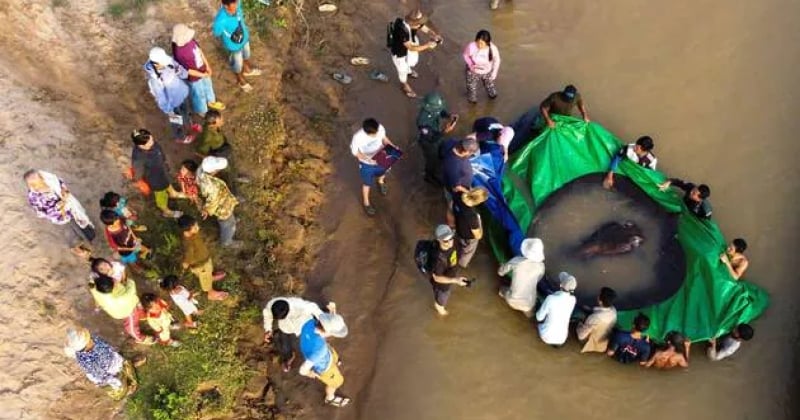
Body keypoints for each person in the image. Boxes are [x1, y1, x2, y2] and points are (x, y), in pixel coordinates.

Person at [24, 169, 95, 249]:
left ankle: (91, 237)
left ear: (41, 177)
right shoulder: (34, 197)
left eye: (37, 183)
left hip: (71, 207)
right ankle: (80, 246)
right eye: (32, 185)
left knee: (83, 223)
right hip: (60, 217)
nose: (36, 187)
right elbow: (42, 212)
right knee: (72, 233)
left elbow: (60, 182)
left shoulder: (48, 178)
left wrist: (65, 192)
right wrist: (59, 207)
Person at [64, 327, 141, 400]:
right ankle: (128, 386)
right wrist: (114, 379)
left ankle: (126, 365)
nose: (90, 338)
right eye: (87, 339)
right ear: (84, 347)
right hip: (107, 373)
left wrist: (113, 352)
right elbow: (101, 375)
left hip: (109, 359)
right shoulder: (89, 362)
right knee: (119, 381)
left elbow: (105, 345)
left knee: (121, 362)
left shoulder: (92, 340)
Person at [88, 265, 154, 345]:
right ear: (114, 284)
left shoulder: (97, 292)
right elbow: (131, 285)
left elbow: (91, 283)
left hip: (123, 308)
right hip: (128, 312)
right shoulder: (124, 296)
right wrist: (127, 280)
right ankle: (140, 338)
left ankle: (143, 316)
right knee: (131, 328)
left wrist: (94, 279)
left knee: (138, 310)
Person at [171, 23, 225, 118]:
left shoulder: (191, 41)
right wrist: (202, 75)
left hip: (202, 69)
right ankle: (202, 110)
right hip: (194, 77)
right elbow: (188, 71)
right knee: (198, 93)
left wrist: (207, 66)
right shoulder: (179, 52)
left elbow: (199, 51)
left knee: (208, 86)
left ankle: (211, 102)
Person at [144, 47, 195, 144]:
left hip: (182, 92)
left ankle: (188, 121)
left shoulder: (168, 61)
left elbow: (184, 74)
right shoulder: (155, 80)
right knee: (176, 121)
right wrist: (169, 110)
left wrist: (179, 71)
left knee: (186, 110)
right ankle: (181, 137)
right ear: (156, 63)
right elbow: (160, 97)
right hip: (172, 103)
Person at [299, 313, 351, 407]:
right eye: (333, 332)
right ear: (325, 331)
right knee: (337, 382)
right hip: (324, 367)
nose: (334, 334)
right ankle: (330, 398)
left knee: (332, 354)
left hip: (315, 350)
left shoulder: (309, 322)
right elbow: (302, 370)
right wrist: (309, 373)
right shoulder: (320, 349)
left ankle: (335, 361)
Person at [349, 118, 400, 216]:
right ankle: (366, 203)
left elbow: (384, 139)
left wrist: (392, 146)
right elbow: (355, 152)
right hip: (367, 163)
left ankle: (380, 182)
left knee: (384, 170)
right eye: (374, 134)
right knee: (367, 183)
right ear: (366, 132)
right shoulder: (358, 138)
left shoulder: (379, 128)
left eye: (377, 132)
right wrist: (368, 159)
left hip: (382, 155)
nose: (377, 134)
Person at [388, 9, 442, 98]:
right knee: (402, 69)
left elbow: (423, 27)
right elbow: (411, 48)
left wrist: (433, 34)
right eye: (418, 24)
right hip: (399, 53)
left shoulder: (413, 24)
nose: (420, 26)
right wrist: (428, 45)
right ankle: (404, 84)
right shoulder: (402, 30)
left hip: (410, 44)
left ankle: (409, 71)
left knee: (411, 62)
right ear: (412, 23)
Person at [130, 129, 183, 218]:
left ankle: (173, 193)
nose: (153, 142)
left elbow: (161, 153)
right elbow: (138, 172)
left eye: (152, 139)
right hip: (155, 179)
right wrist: (138, 181)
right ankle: (166, 211)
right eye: (149, 142)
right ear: (141, 146)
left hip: (163, 170)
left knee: (168, 180)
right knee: (161, 195)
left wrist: (165, 163)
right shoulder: (138, 158)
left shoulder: (152, 144)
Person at [262, 297, 324, 372]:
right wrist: (268, 329)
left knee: (314, 342)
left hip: (304, 325)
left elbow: (314, 308)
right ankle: (289, 357)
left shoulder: (298, 304)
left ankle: (318, 357)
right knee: (285, 344)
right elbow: (267, 317)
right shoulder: (270, 307)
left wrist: (323, 321)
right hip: (286, 328)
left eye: (282, 317)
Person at [212, 0, 262, 92]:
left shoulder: (238, 4)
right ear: (225, 6)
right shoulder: (220, 20)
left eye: (236, 2)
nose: (236, 5)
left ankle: (247, 70)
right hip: (234, 45)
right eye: (233, 4)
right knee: (238, 64)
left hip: (244, 38)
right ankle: (240, 79)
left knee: (246, 55)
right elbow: (217, 32)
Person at [178, 214, 229, 301]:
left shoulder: (193, 234)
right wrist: (186, 263)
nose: (198, 227)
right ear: (188, 231)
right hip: (200, 265)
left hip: (205, 259)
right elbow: (188, 257)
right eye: (195, 227)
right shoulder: (188, 244)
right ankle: (211, 293)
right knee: (205, 281)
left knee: (208, 271)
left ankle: (210, 277)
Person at [196, 109, 244, 196]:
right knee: (227, 171)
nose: (223, 120)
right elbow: (200, 151)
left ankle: (235, 176)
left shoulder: (214, 127)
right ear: (213, 124)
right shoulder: (207, 137)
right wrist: (214, 163)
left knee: (232, 163)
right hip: (218, 153)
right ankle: (234, 193)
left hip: (224, 148)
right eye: (220, 119)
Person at [197, 156, 241, 247]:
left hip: (224, 201)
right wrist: (206, 210)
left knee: (229, 216)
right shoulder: (213, 187)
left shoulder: (201, 170)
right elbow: (212, 202)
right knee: (228, 225)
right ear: (213, 171)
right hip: (222, 208)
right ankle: (227, 241)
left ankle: (231, 220)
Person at [416, 92, 458, 184]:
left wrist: (448, 115)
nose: (438, 109)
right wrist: (444, 132)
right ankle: (429, 176)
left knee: (439, 152)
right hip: (428, 142)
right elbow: (431, 138)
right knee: (431, 160)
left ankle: (438, 165)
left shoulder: (436, 107)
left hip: (437, 133)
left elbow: (441, 111)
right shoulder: (422, 122)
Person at [429, 224, 472, 316]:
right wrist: (455, 280)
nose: (449, 242)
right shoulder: (438, 259)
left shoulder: (454, 241)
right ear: (439, 240)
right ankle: (440, 310)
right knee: (441, 301)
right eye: (445, 241)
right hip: (442, 285)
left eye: (451, 238)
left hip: (451, 270)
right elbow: (437, 278)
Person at [497, 237, 545, 316]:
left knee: (501, 289)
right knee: (529, 313)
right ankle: (528, 314)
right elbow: (538, 279)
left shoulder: (517, 261)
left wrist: (501, 267)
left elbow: (500, 272)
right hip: (528, 305)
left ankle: (502, 293)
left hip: (512, 300)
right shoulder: (541, 267)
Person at [442, 135, 479, 227]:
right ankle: (452, 226)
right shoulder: (454, 166)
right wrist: (469, 192)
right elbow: (456, 187)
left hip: (457, 182)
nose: (471, 154)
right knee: (451, 206)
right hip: (455, 191)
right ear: (465, 151)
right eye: (471, 153)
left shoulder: (453, 142)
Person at [535, 272, 577, 347]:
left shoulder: (551, 298)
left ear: (560, 285)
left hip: (546, 336)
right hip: (562, 339)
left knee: (538, 307)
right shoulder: (573, 300)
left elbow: (539, 317)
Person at [463, 30, 501, 104]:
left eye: (482, 44)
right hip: (473, 72)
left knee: (492, 92)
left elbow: (497, 61)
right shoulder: (471, 46)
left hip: (487, 72)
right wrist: (470, 64)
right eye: (477, 42)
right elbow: (465, 55)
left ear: (487, 43)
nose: (479, 45)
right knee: (471, 92)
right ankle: (472, 106)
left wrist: (494, 73)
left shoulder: (493, 49)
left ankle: (493, 102)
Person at [576, 287, 618, 353]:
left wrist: (579, 324)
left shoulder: (594, 317)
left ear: (600, 301)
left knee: (579, 319)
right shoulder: (614, 311)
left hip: (592, 343)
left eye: (599, 295)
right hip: (604, 344)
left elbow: (581, 336)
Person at [454, 187, 487, 268]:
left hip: (458, 228)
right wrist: (480, 224)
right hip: (468, 236)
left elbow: (457, 189)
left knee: (460, 242)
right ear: (478, 201)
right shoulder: (472, 216)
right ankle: (462, 263)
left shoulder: (458, 196)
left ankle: (458, 247)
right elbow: (478, 236)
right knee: (468, 250)